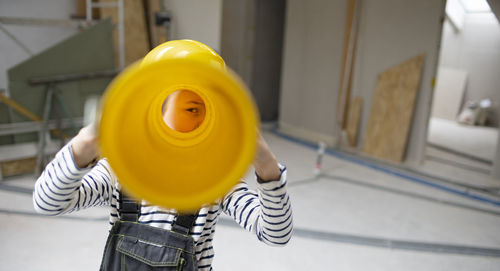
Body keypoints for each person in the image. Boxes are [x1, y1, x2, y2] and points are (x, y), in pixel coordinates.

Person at [33, 40, 293, 271]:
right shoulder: (121, 170)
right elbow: (47, 203)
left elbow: (275, 234)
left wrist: (265, 164)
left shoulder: (216, 179)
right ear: (154, 108)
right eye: (191, 109)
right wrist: (84, 145)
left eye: (211, 110)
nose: (203, 120)